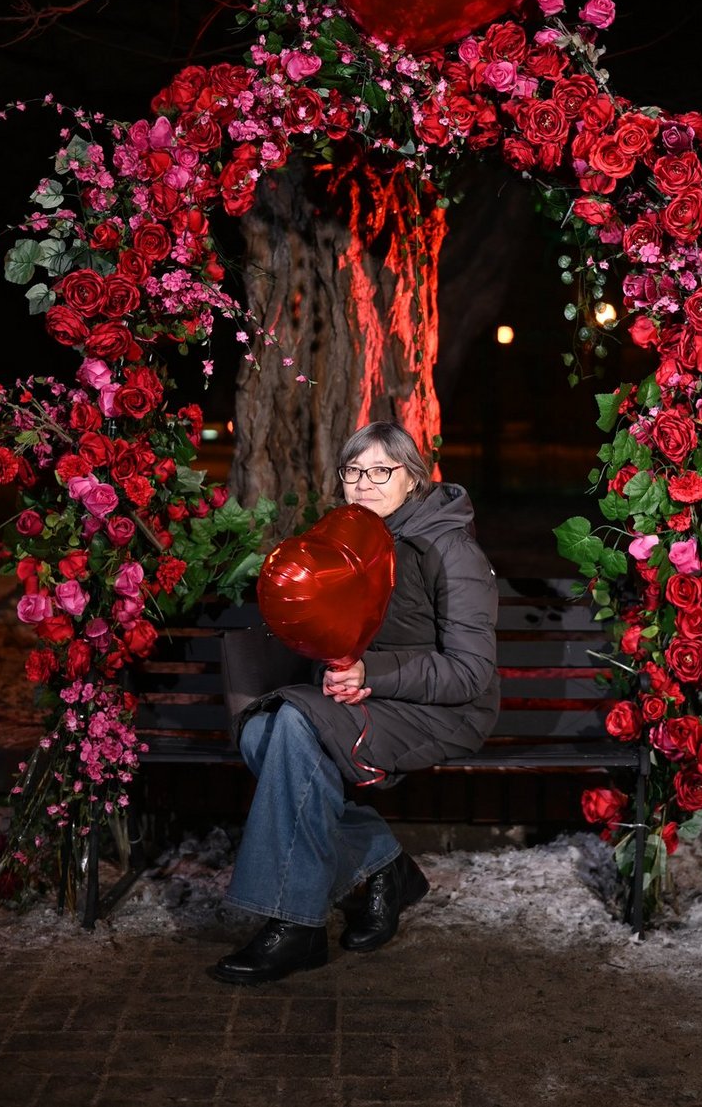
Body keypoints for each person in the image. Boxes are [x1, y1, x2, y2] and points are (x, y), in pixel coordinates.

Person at [210, 420, 499, 985]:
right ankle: (385, 864)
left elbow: (470, 671)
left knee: (293, 726)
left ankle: (295, 926)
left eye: (381, 471)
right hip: (369, 694)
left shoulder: (449, 549)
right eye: (353, 471)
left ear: (412, 479)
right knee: (258, 734)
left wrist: (374, 673)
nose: (364, 483)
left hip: (441, 709)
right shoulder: (345, 538)